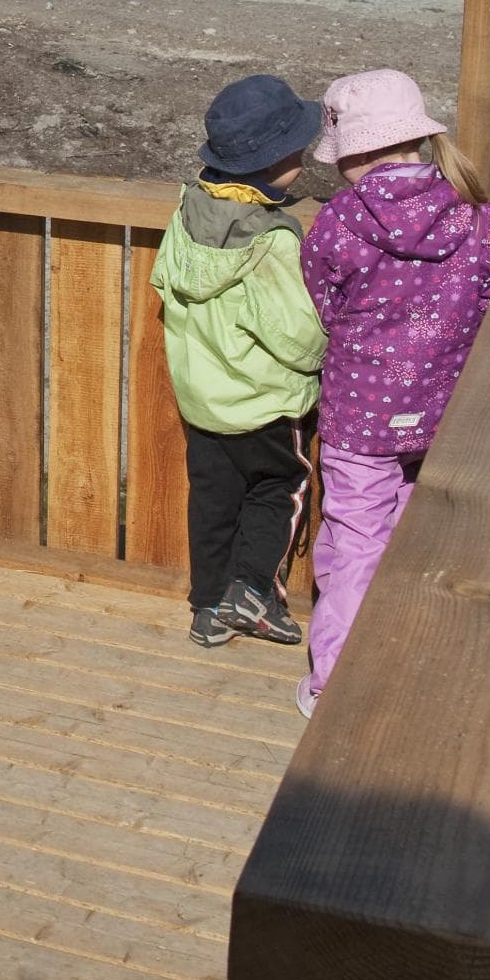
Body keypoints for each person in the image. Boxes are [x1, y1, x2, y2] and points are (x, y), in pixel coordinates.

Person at [296, 68, 490, 718]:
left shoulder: (340, 219)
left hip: (361, 415)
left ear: (353, 154)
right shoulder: (477, 214)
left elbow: (324, 299)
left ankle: (333, 684)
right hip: (446, 411)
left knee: (353, 540)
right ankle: (405, 652)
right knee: (414, 538)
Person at [150, 75, 328, 649]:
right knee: (280, 484)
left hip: (203, 400)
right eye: (296, 148)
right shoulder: (272, 238)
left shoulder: (187, 211)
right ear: (273, 160)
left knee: (214, 500)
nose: (303, 154)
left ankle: (207, 607)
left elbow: (165, 283)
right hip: (262, 404)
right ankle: (251, 591)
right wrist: (332, 350)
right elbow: (295, 335)